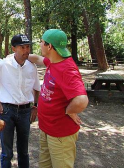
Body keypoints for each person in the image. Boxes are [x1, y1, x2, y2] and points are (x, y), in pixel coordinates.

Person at [28, 29, 89, 168]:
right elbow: (37, 59)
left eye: (42, 42)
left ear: (49, 46)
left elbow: (81, 100)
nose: (40, 44)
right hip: (47, 128)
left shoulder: (67, 69)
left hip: (60, 134)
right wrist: (20, 55)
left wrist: (69, 111)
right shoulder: (53, 61)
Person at [0, 34, 41, 168]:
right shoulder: (3, 65)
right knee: (6, 152)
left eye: (28, 47)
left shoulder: (31, 67)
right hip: (6, 111)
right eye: (22, 47)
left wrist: (35, 106)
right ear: (13, 48)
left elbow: (37, 88)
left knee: (23, 152)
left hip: (25, 111)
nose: (26, 50)